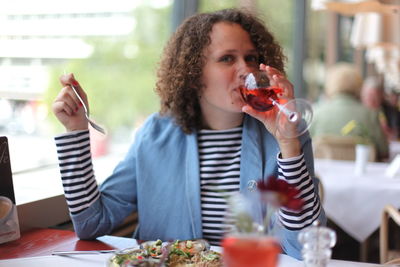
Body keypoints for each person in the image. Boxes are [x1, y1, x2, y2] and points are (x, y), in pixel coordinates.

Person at [52, 8, 324, 260]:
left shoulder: (284, 135)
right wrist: (76, 130)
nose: (246, 70)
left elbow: (304, 247)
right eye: (227, 58)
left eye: (251, 58)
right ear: (194, 74)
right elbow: (90, 223)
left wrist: (289, 144)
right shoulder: (155, 135)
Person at [310, 63, 389, 161]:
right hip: (365, 175)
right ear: (359, 86)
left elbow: (303, 150)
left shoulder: (315, 112)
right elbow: (384, 151)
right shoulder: (371, 114)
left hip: (322, 174)